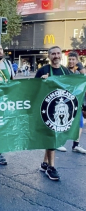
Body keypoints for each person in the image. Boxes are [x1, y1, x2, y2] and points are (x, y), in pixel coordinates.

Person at [35, 46, 71, 181]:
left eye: (58, 53)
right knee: (51, 136)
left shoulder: (66, 71)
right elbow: (33, 89)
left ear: (60, 55)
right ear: (49, 56)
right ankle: (51, 167)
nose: (56, 56)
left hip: (62, 109)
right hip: (47, 110)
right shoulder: (42, 70)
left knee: (53, 136)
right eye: (53, 54)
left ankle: (45, 163)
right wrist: (41, 82)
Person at [60, 51, 86, 154]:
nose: (71, 61)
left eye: (73, 59)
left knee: (79, 123)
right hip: (66, 102)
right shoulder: (64, 71)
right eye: (69, 59)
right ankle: (59, 143)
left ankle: (76, 145)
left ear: (77, 60)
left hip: (77, 102)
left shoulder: (79, 72)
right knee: (63, 122)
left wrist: (82, 69)